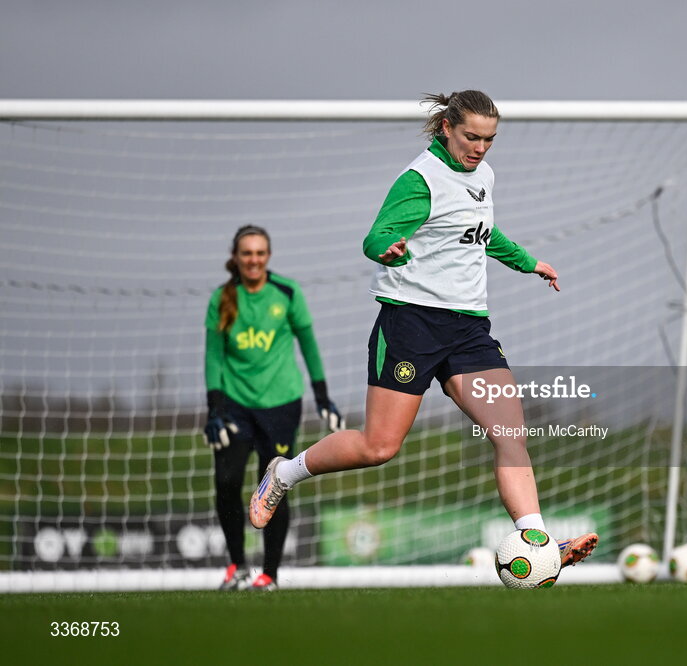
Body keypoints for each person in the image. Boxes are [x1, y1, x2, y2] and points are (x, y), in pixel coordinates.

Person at [247, 90, 598, 569]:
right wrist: (388, 249)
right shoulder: (420, 180)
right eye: (471, 137)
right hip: (411, 322)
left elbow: (481, 230)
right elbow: (375, 236)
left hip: (469, 327)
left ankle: (536, 542)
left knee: (509, 430)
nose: (480, 148)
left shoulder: (484, 175)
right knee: (379, 447)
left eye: (489, 139)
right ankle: (283, 474)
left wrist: (528, 262)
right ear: (446, 128)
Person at [204, 225, 343, 591]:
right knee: (226, 481)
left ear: (268, 256)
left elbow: (309, 345)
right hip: (234, 405)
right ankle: (236, 568)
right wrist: (213, 409)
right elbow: (213, 357)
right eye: (247, 253)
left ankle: (270, 576)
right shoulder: (222, 298)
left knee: (274, 485)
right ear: (236, 257)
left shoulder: (287, 292)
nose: (254, 260)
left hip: (281, 405)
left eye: (260, 252)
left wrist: (322, 395)